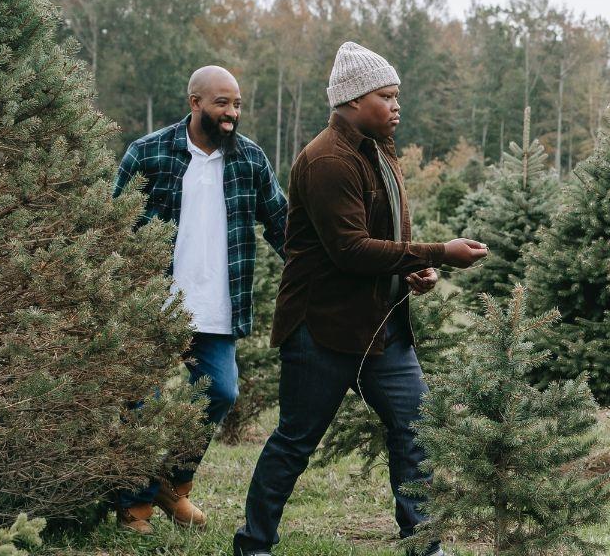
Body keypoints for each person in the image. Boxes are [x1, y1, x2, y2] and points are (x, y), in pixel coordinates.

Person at [232, 42, 487, 556]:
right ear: (352, 100)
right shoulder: (328, 159)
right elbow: (350, 249)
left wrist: (416, 269)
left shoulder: (378, 150)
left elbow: (383, 237)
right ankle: (254, 545)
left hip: (383, 327)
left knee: (416, 429)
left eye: (397, 96)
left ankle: (424, 544)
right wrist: (441, 250)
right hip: (321, 330)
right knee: (295, 442)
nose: (397, 106)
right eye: (386, 96)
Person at [111, 65, 287, 534]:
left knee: (222, 391)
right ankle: (134, 503)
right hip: (152, 304)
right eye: (221, 103)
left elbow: (282, 224)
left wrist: (329, 268)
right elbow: (111, 226)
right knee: (141, 404)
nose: (231, 113)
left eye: (237, 104)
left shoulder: (249, 159)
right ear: (195, 103)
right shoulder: (147, 153)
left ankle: (173, 483)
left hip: (217, 306)